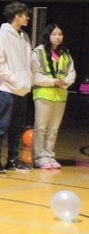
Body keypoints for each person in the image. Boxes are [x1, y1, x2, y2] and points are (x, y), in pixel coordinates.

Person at [0, 1, 33, 173]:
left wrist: (26, 82)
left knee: (17, 128)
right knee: (1, 126)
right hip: (6, 89)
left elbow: (26, 62)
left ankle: (13, 159)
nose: (28, 17)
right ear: (16, 16)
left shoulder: (24, 36)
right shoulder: (2, 35)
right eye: (25, 14)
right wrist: (14, 80)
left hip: (22, 90)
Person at [30, 23, 74, 169]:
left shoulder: (65, 53)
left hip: (60, 95)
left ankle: (49, 155)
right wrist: (52, 82)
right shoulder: (38, 52)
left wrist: (65, 82)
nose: (58, 37)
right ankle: (39, 157)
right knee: (41, 128)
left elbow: (71, 73)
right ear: (48, 36)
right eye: (54, 34)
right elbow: (35, 76)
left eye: (60, 34)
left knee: (54, 128)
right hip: (43, 94)